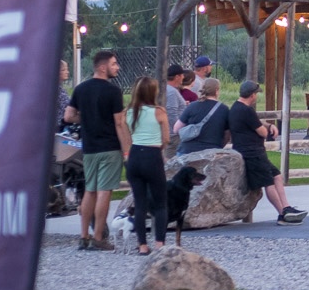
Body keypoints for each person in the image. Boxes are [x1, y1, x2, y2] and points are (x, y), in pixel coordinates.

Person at [67, 50, 128, 251]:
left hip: (89, 148)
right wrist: (127, 150)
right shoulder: (113, 91)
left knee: (89, 191)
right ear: (102, 67)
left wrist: (85, 120)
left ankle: (83, 236)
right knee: (105, 192)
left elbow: (68, 116)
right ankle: (99, 237)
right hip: (109, 147)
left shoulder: (80, 89)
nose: (117, 67)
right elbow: (119, 123)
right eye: (114, 63)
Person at [232, 80, 304, 224]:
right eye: (256, 94)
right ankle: (282, 215)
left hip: (254, 152)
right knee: (268, 183)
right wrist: (267, 130)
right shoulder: (246, 110)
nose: (256, 97)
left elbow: (257, 123)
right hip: (252, 154)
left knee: (277, 176)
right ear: (252, 95)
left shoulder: (235, 107)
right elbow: (262, 132)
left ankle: (286, 207)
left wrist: (269, 124)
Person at [123, 76, 171, 255]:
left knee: (140, 203)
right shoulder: (159, 112)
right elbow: (166, 138)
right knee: (160, 203)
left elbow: (128, 135)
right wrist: (160, 148)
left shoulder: (128, 112)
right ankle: (159, 242)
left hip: (135, 155)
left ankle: (142, 245)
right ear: (153, 92)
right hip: (152, 155)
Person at [175, 76, 227, 153]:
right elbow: (227, 135)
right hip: (212, 152)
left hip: (188, 152)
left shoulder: (192, 106)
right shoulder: (224, 109)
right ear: (216, 91)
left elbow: (176, 129)